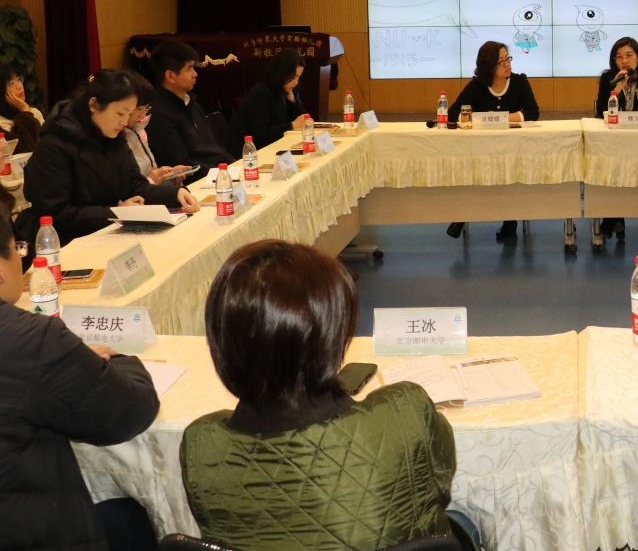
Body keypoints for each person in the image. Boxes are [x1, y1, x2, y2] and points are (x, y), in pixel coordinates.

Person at [181, 240, 468, 550]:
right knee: (465, 523)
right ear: (331, 334)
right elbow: (439, 487)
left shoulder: (201, 444)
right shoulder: (405, 411)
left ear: (222, 337)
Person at [0, 200, 163, 550]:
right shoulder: (31, 341)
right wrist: (115, 357)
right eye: (17, 248)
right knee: (135, 517)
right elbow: (130, 411)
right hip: (34, 534)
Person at [15, 69, 199, 248]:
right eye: (120, 113)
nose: (124, 122)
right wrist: (115, 212)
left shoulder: (113, 136)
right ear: (94, 105)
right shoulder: (55, 144)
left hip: (107, 235)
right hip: (63, 244)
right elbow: (56, 213)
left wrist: (175, 194)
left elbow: (135, 186)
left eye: (128, 114)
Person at [446, 41, 540, 241]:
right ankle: (463, 213)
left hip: (514, 150)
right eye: (501, 61)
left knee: (508, 172)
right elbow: (453, 113)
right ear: (489, 66)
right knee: (474, 171)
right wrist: (479, 119)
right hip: (482, 151)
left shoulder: (519, 82)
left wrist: (501, 118)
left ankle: (510, 221)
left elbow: (533, 112)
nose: (507, 64)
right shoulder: (477, 86)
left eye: (508, 58)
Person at [594, 37, 638, 242]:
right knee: (613, 167)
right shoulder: (609, 78)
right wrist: (617, 89)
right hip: (615, 141)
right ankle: (614, 218)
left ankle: (613, 220)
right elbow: (601, 112)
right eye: (619, 57)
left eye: (628, 55)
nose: (624, 61)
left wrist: (631, 118)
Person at [145, 39, 232, 182]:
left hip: (219, 173)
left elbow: (213, 149)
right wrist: (223, 173)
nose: (195, 74)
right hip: (198, 182)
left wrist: (233, 166)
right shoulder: (159, 115)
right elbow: (182, 166)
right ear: (170, 76)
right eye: (189, 68)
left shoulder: (191, 102)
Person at [119, 70, 195, 185]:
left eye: (146, 109)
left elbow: (151, 173)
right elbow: (129, 187)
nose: (143, 115)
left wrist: (167, 175)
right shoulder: (114, 137)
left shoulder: (139, 130)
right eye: (139, 109)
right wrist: (152, 180)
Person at [227, 47, 306, 157]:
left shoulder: (284, 90)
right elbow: (261, 134)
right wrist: (291, 125)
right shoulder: (261, 93)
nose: (296, 82)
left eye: (298, 78)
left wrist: (293, 101)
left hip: (272, 148)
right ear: (281, 73)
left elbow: (302, 121)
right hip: (249, 155)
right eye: (293, 77)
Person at [0, 62, 44, 154]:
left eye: (19, 79)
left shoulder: (34, 112)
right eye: (11, 83)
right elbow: (26, 149)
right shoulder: (2, 122)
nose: (19, 86)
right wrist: (25, 111)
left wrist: (26, 111)